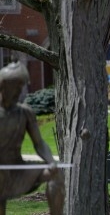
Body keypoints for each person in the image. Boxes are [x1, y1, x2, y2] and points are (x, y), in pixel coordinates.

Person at [0, 61, 65, 215]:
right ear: (3, 85)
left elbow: (40, 143)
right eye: (15, 86)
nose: (19, 91)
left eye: (21, 86)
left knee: (56, 174)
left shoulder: (25, 113)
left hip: (18, 170)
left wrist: (51, 161)